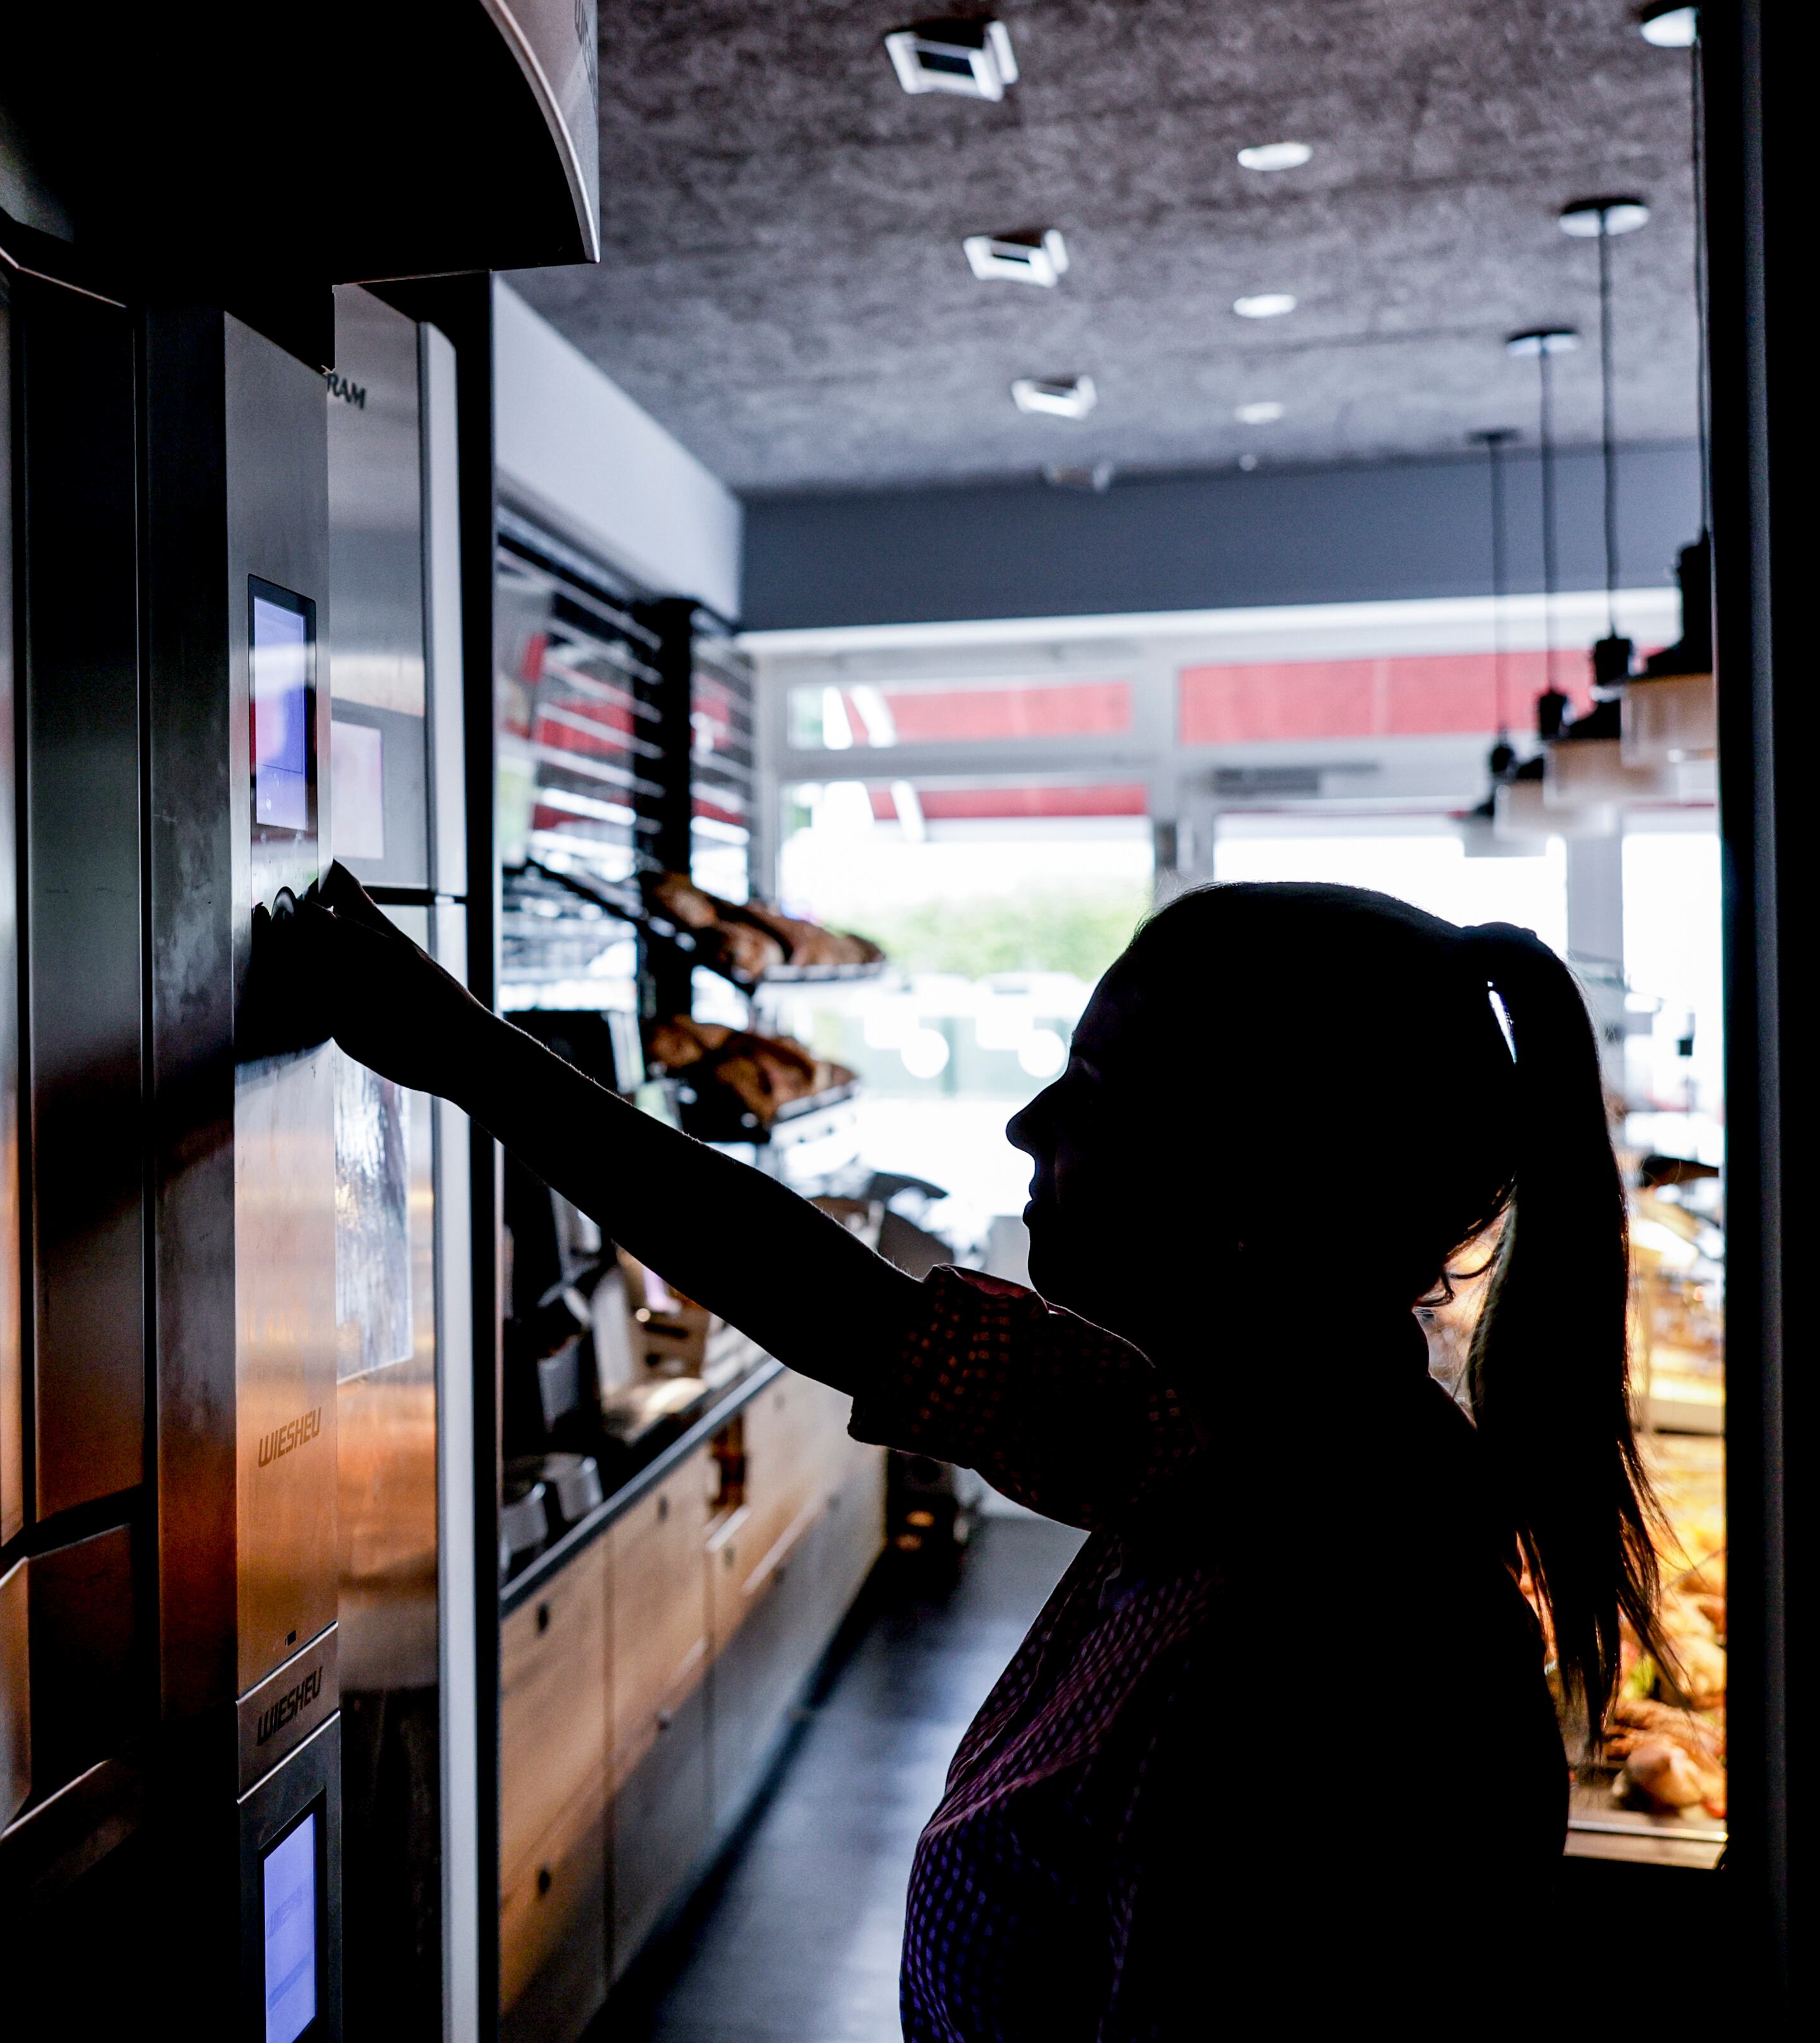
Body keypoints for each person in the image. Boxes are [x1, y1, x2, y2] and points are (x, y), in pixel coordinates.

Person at [264, 866, 1665, 2041]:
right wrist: (455, 1047)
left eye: (1091, 1094)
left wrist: (461, 1048)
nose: (1025, 1126)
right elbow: (832, 1301)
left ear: (1248, 1201)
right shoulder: (1222, 1450)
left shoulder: (1334, 1648)